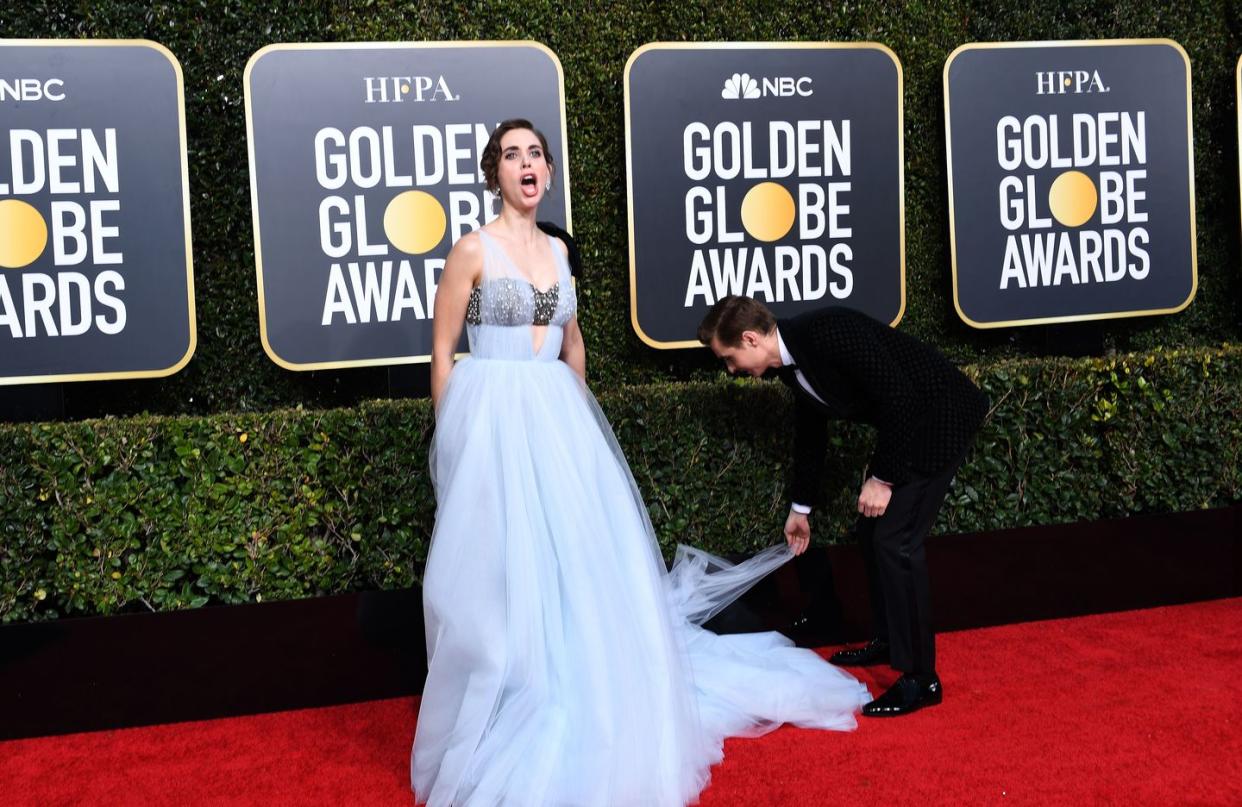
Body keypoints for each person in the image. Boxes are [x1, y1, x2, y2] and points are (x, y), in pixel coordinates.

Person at [410, 120, 870, 807]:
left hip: (557, 423)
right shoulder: (471, 249)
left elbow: (573, 342)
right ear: (494, 173)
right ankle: (503, 704)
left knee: (574, 570)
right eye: (512, 155)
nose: (527, 163)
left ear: (547, 171)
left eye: (536, 153)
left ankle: (572, 688)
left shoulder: (560, 254)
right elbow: (443, 351)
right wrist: (453, 437)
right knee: (493, 579)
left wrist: (579, 416)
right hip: (492, 419)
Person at [699, 296, 989, 717]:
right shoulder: (790, 366)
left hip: (942, 418)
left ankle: (920, 678)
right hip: (911, 425)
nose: (731, 370)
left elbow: (900, 398)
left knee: (895, 541)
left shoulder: (827, 331)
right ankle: (890, 640)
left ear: (749, 338)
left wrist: (882, 479)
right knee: (872, 533)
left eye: (729, 358)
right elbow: (812, 437)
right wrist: (801, 509)